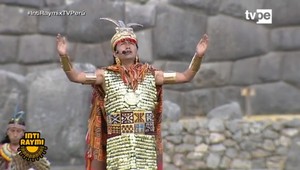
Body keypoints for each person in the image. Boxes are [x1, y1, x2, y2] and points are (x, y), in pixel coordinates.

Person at [56, 18, 209, 170]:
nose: (127, 46)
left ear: (136, 49)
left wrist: (198, 56)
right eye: (122, 43)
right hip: (118, 149)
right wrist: (64, 56)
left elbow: (186, 76)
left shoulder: (153, 75)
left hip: (145, 149)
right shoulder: (105, 75)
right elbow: (75, 77)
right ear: (115, 52)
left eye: (131, 43)